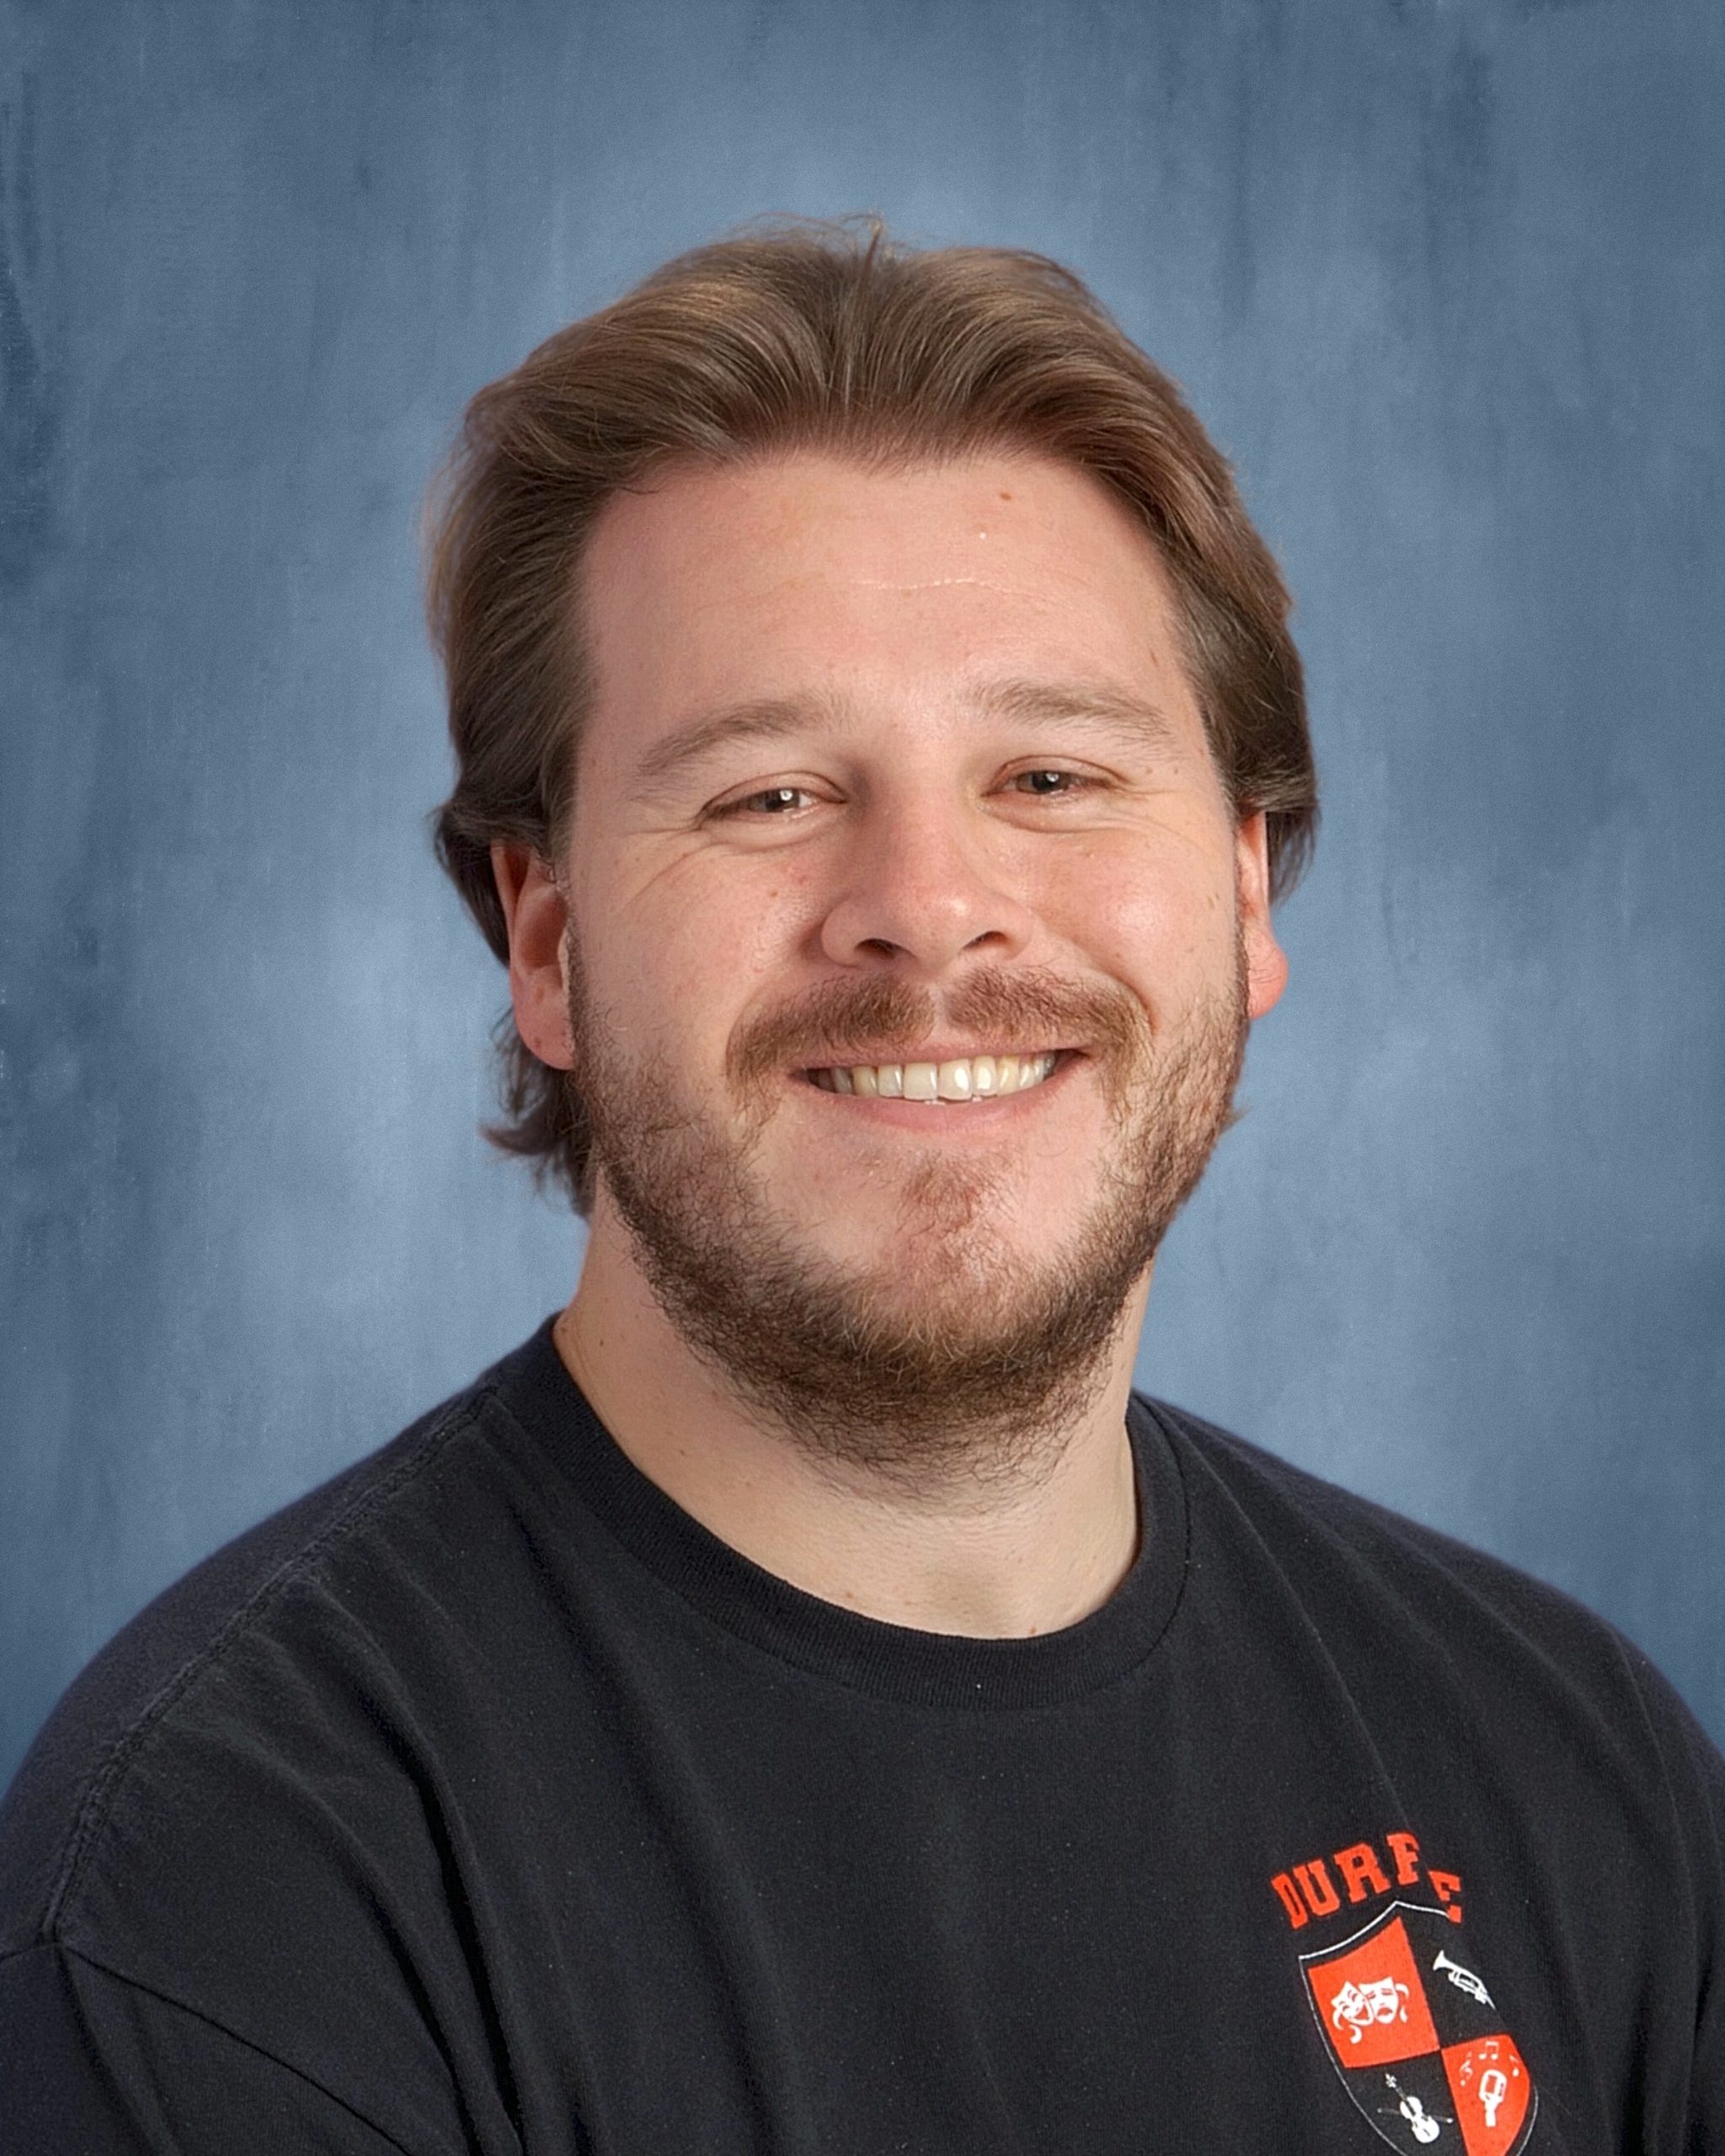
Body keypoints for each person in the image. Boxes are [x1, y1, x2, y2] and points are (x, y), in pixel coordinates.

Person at [0, 221, 1718, 2154]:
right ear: (544, 940)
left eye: (1053, 776)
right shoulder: (234, 1884)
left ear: (1241, 893)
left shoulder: (1573, 1773)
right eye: (769, 795)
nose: (926, 910)